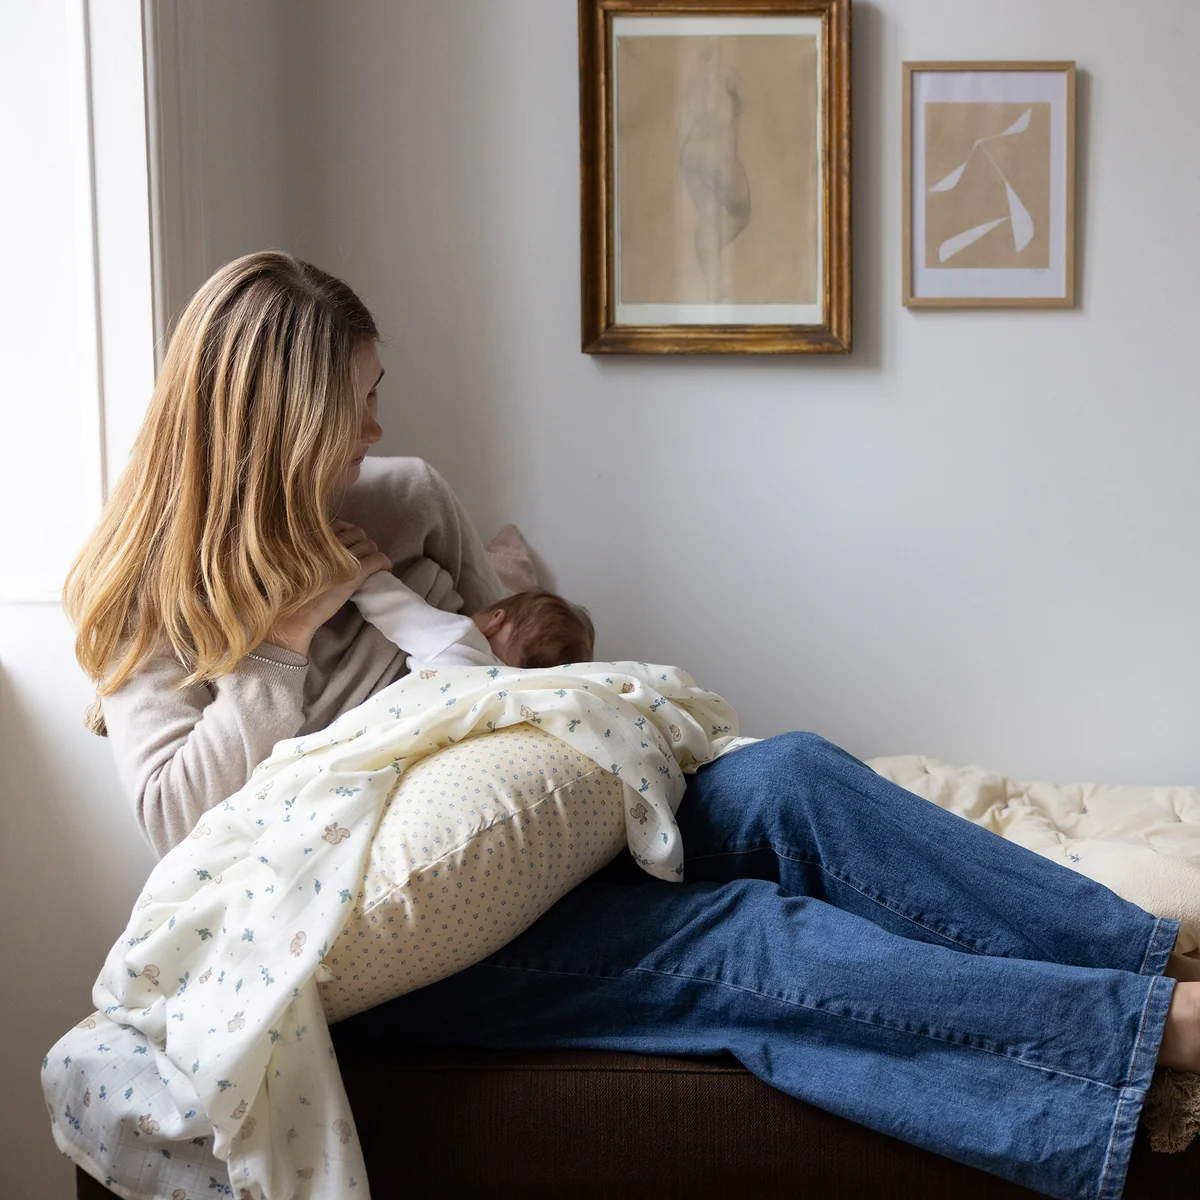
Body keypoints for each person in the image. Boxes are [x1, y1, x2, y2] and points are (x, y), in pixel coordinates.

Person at [64, 251, 1200, 1200]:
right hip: (397, 936)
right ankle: (1159, 1038)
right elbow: (177, 824)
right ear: (281, 425)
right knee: (742, 938)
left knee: (793, 777)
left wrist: (530, 653)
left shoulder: (403, 499)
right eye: (353, 405)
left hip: (537, 827)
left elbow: (521, 677)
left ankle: (1149, 963)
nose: (377, 424)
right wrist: (277, 649)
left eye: (375, 390)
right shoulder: (143, 595)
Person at [351, 565, 595, 670]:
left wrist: (354, 567)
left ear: (496, 620)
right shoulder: (513, 696)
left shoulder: (462, 641)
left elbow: (395, 607)